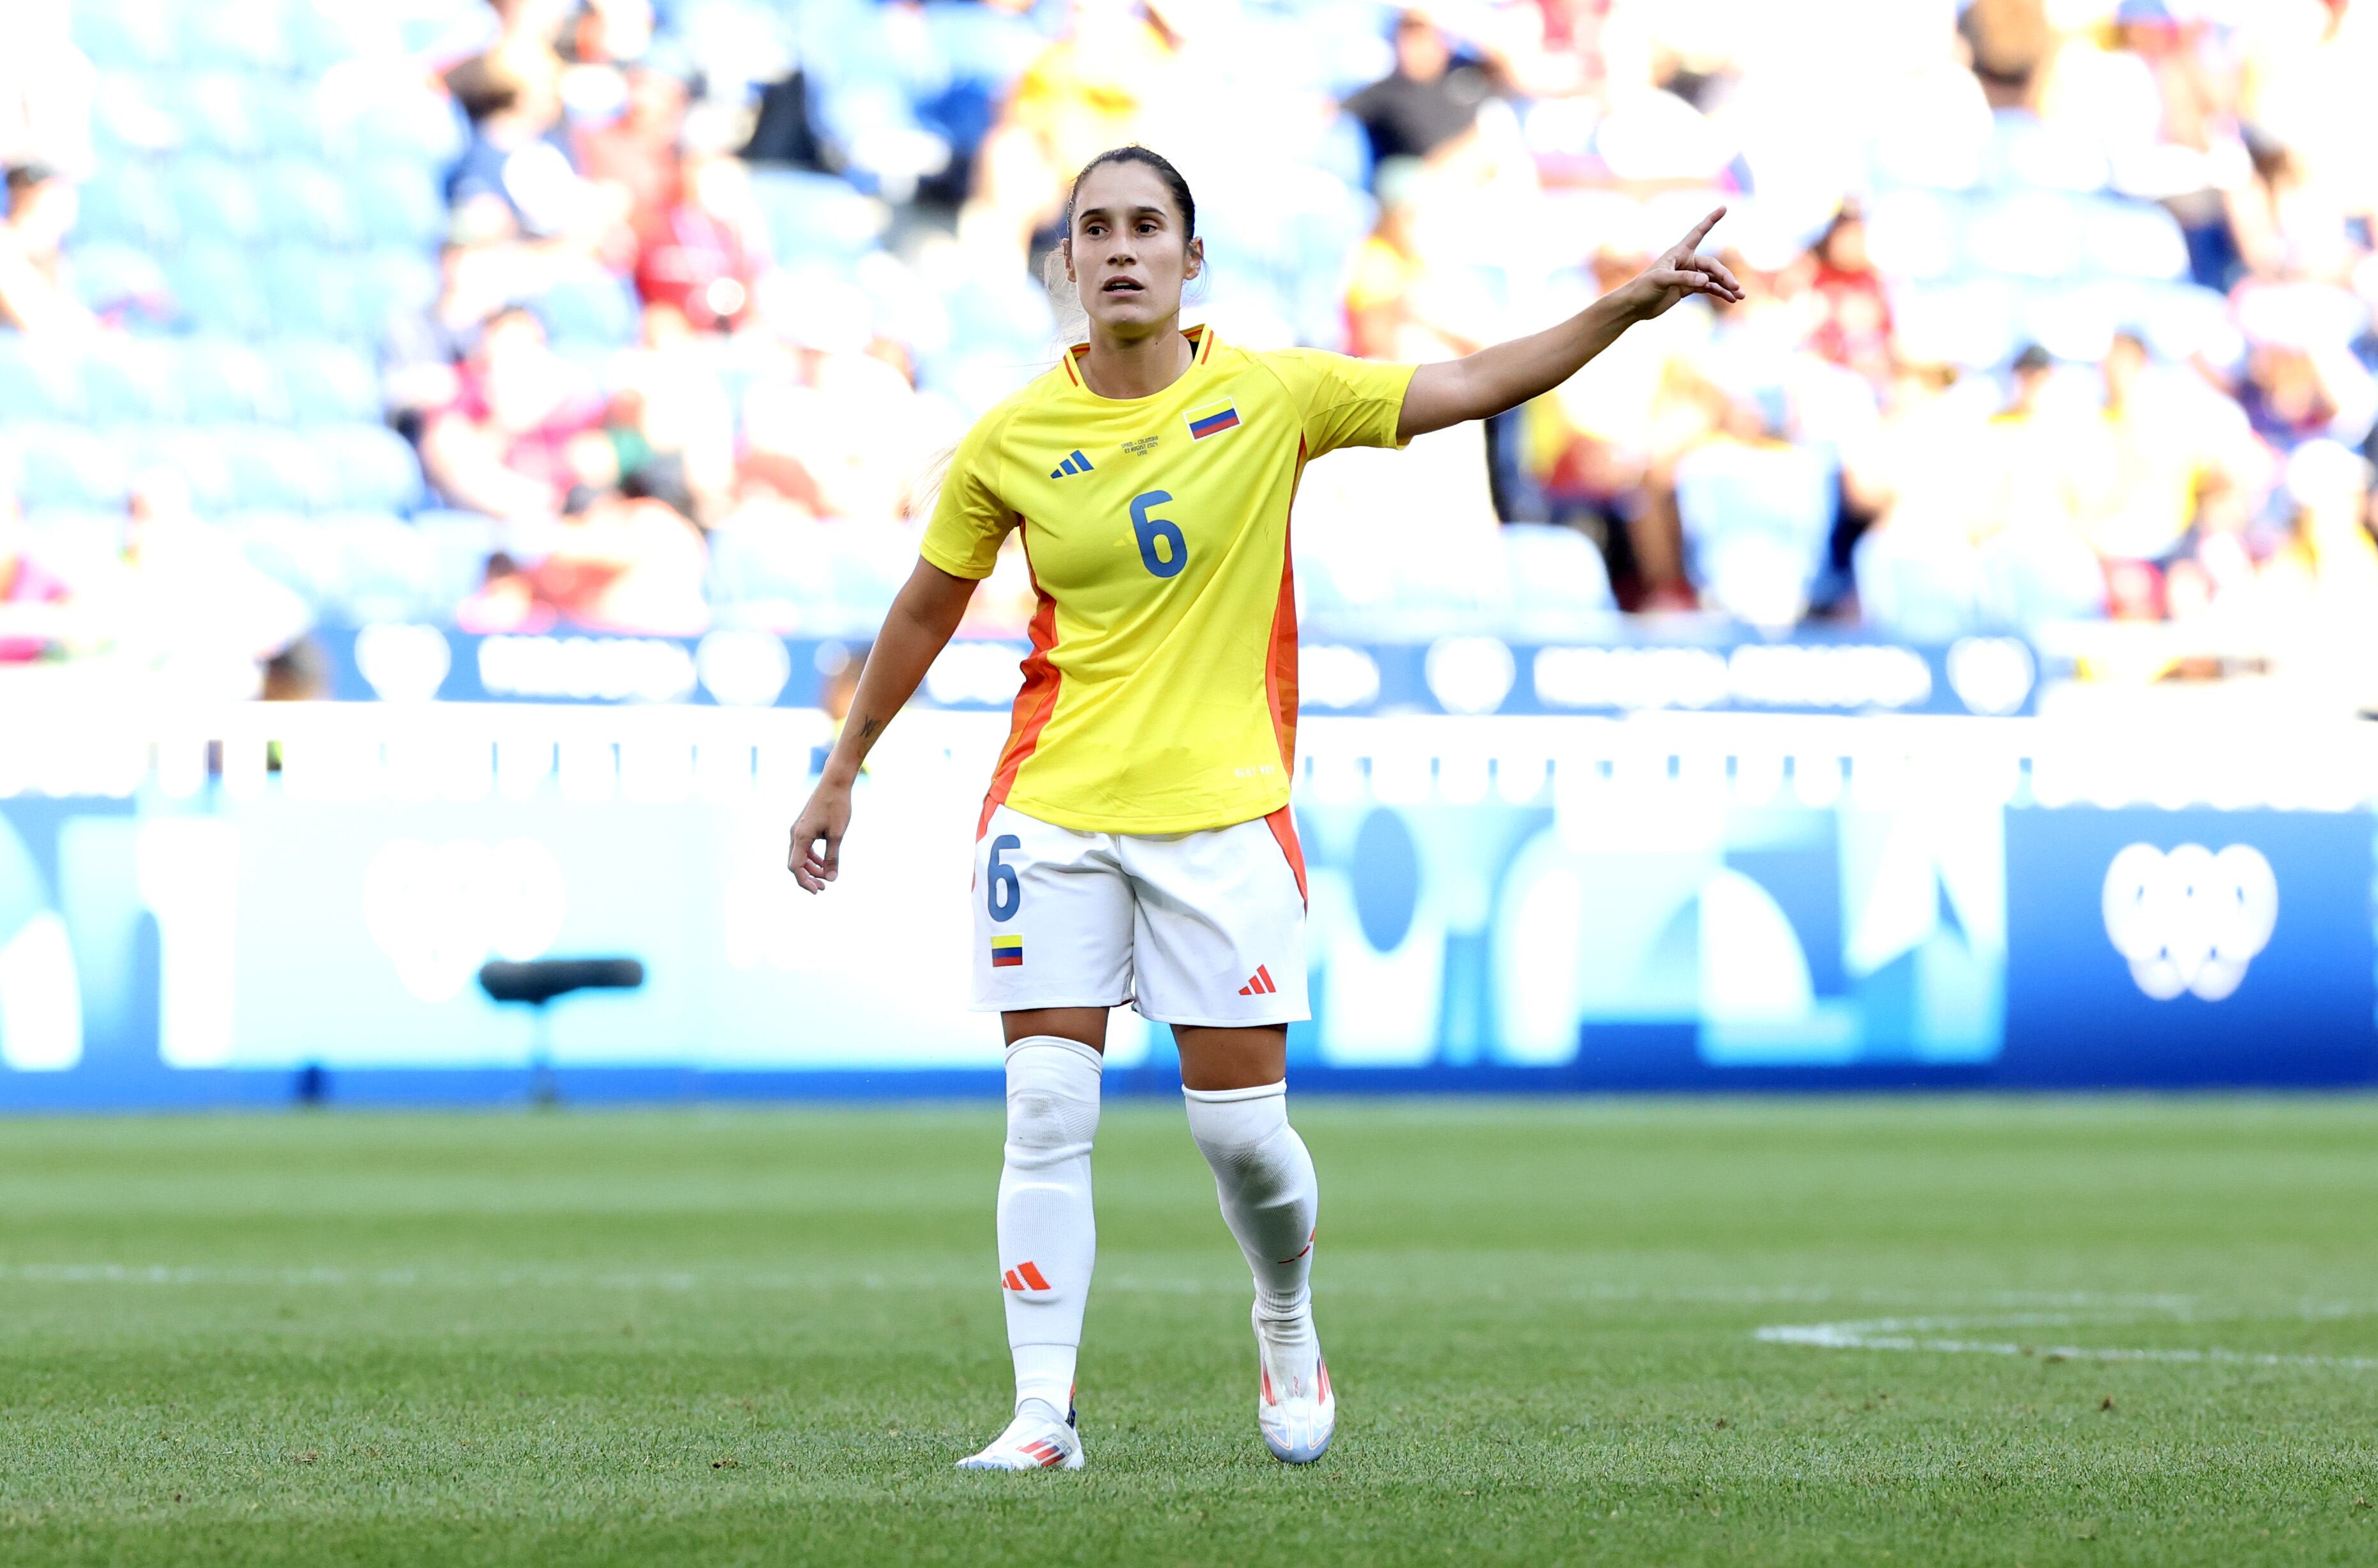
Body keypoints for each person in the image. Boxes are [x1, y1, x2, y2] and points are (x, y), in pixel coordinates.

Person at [783, 144, 1738, 1471]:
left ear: (1190, 261)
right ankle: (1042, 1415)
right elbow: (924, 609)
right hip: (1050, 810)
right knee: (1047, 1110)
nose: (1119, 249)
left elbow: (1468, 385)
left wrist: (1619, 311)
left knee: (1242, 1139)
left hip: (1224, 817)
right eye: (1094, 230)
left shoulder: (1273, 394)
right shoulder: (1011, 436)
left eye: (1146, 228)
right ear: (1066, 264)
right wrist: (846, 770)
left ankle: (1285, 1313)